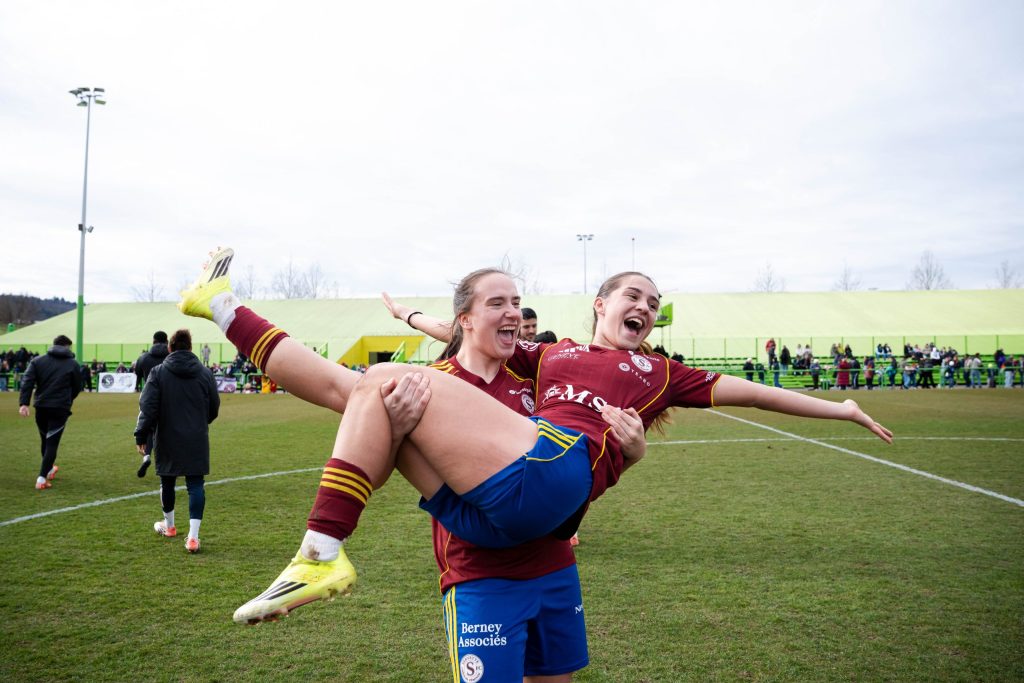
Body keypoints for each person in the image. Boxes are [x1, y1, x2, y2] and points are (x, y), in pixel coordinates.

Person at [178, 248, 891, 635]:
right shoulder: (540, 360)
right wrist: (413, 316)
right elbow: (458, 334)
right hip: (482, 542)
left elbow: (755, 392)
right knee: (369, 389)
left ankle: (320, 550)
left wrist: (839, 405)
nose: (644, 307)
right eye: (632, 295)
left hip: (549, 531)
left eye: (652, 302)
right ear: (600, 305)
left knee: (375, 388)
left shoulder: (636, 372)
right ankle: (223, 310)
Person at [134, 328, 220, 553]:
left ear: (170, 348)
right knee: (195, 484)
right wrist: (200, 422)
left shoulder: (158, 372)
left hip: (166, 435)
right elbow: (214, 407)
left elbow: (147, 407)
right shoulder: (205, 373)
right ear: (190, 347)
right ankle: (193, 538)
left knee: (167, 481)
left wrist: (141, 434)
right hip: (196, 436)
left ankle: (170, 526)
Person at [18, 334, 83, 490]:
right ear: (67, 346)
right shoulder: (73, 364)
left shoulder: (37, 361)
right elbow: (77, 386)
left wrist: (24, 403)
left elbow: (27, 382)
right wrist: (68, 399)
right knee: (52, 442)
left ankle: (49, 469)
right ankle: (41, 478)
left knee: (45, 439)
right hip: (60, 408)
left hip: (41, 406)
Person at [134, 330, 170, 477]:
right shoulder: (171, 356)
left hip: (149, 396)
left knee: (148, 426)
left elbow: (137, 373)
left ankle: (147, 456)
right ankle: (167, 462)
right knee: (167, 429)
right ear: (167, 341)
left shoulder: (144, 358)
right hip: (169, 397)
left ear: (153, 341)